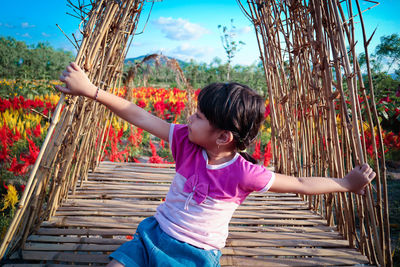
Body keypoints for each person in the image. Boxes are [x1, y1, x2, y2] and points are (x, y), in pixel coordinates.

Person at [56, 62, 376, 267]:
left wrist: (347, 183)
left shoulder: (243, 172)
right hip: (153, 235)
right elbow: (139, 114)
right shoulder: (184, 141)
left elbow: (302, 185)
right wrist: (92, 92)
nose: (189, 118)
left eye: (198, 116)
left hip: (194, 255)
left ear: (222, 136)